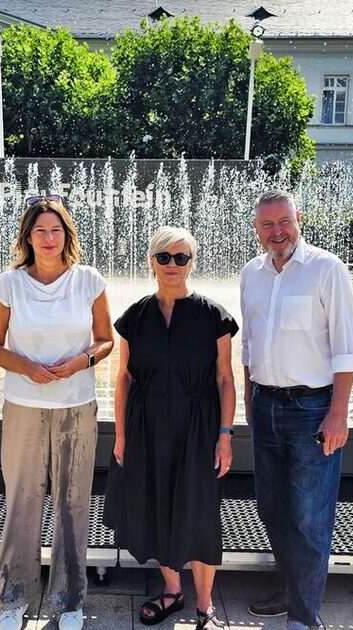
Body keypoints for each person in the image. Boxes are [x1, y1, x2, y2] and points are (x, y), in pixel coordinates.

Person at [0, 195, 114, 630]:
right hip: (24, 404)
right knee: (22, 501)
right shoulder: (9, 284)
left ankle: (68, 600)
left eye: (56, 230)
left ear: (66, 235)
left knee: (72, 503)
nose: (48, 237)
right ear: (28, 236)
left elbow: (105, 340)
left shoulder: (88, 280)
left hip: (77, 404)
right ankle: (13, 598)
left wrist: (82, 362)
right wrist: (26, 367)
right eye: (40, 230)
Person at [104, 226, 238, 630]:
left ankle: (205, 605)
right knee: (157, 505)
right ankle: (172, 591)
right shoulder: (135, 317)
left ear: (192, 263)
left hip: (198, 429)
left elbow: (225, 380)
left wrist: (225, 435)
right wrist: (122, 435)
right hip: (146, 427)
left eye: (181, 258)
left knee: (199, 512)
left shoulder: (214, 317)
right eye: (164, 257)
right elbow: (124, 376)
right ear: (151, 262)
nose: (172, 265)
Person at [240, 190, 353, 630]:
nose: (277, 232)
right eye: (267, 225)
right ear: (256, 230)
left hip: (313, 408)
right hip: (265, 404)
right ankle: (292, 590)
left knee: (310, 515)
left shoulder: (326, 270)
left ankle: (305, 618)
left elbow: (347, 349)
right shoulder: (251, 274)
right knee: (273, 507)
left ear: (298, 219)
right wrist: (249, 396)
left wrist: (338, 412)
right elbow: (249, 345)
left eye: (283, 222)